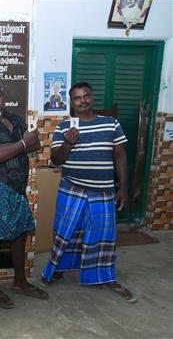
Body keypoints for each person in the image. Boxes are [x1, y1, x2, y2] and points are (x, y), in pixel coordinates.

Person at [41, 82, 136, 303]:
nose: (82, 100)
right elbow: (56, 160)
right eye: (77, 98)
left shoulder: (111, 124)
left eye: (86, 96)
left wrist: (123, 187)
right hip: (72, 188)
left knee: (103, 236)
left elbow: (120, 156)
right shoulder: (64, 127)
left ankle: (105, 276)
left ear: (92, 98)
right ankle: (56, 269)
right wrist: (68, 143)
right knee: (65, 232)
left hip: (103, 191)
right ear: (71, 102)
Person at [0, 81, 49, 309]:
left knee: (20, 233)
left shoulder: (16, 119)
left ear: (3, 97)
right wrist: (23, 142)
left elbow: (36, 146)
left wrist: (25, 143)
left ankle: (20, 281)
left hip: (17, 187)